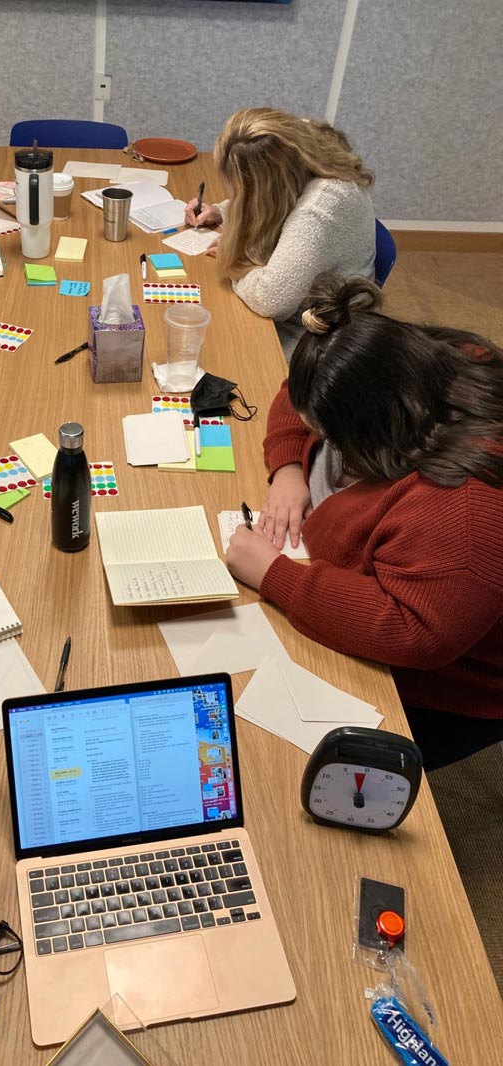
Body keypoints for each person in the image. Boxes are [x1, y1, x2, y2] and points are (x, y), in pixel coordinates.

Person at [226, 274, 503, 770]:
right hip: (376, 590)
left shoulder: (459, 505)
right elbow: (300, 388)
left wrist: (276, 575)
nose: (324, 441)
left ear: (379, 428)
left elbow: (414, 630)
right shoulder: (409, 363)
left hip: (442, 679)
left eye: (331, 435)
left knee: (273, 758)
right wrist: (288, 466)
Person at [184, 108, 376, 360]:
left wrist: (236, 258)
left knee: (219, 349)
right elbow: (273, 199)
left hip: (325, 333)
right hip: (304, 297)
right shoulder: (297, 142)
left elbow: (271, 301)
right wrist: (222, 211)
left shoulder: (320, 208)